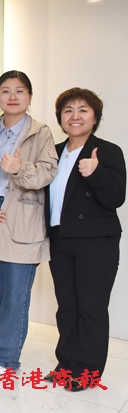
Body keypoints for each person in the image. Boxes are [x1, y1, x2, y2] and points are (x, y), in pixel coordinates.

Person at [0, 70, 58, 378]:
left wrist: (20, 168)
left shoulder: (41, 133)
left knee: (15, 294)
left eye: (20, 91)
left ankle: (5, 358)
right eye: (6, 91)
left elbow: (48, 172)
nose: (13, 96)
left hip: (21, 216)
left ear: (29, 97)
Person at [45, 88, 125, 391]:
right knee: (67, 306)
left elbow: (116, 198)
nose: (75, 116)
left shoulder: (107, 151)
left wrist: (96, 172)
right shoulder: (52, 151)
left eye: (83, 110)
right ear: (60, 118)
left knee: (90, 308)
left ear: (95, 117)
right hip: (60, 238)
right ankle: (66, 365)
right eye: (68, 110)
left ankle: (87, 372)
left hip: (96, 242)